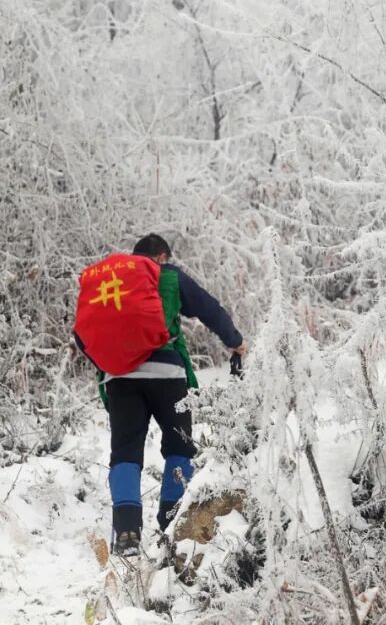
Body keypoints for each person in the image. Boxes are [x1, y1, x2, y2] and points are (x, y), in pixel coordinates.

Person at [102, 233, 247, 556]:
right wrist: (235, 341)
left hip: (119, 376)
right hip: (167, 373)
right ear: (163, 257)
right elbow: (211, 309)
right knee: (178, 447)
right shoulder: (169, 276)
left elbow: (85, 332)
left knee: (125, 452)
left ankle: (126, 533)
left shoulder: (114, 282)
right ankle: (172, 525)